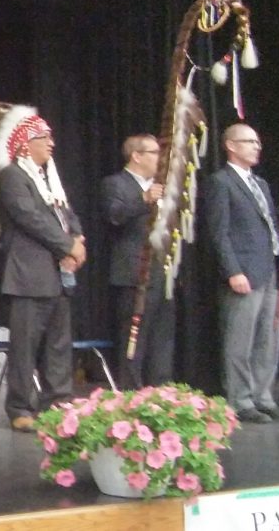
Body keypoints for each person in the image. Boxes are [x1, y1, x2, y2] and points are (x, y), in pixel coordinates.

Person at [0, 113, 85, 432]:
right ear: (25, 144)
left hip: (58, 274)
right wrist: (67, 247)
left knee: (59, 343)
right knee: (25, 345)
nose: (51, 144)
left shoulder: (48, 179)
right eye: (44, 139)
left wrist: (77, 238)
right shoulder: (13, 176)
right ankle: (20, 407)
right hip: (29, 274)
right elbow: (29, 217)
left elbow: (65, 213)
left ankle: (58, 401)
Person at [206, 123, 279, 423]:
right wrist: (232, 270)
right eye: (249, 142)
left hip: (268, 269)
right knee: (240, 340)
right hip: (244, 272)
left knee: (267, 338)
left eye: (258, 142)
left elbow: (265, 226)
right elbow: (218, 233)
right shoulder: (221, 182)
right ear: (231, 146)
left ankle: (263, 396)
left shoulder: (260, 184)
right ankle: (240, 400)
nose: (257, 146)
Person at [101, 134, 174, 389]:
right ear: (137, 156)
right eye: (154, 152)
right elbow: (114, 215)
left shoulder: (160, 186)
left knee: (161, 340)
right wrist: (143, 199)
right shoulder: (116, 184)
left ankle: (160, 392)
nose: (160, 158)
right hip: (133, 274)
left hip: (161, 273)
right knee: (134, 340)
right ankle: (131, 394)